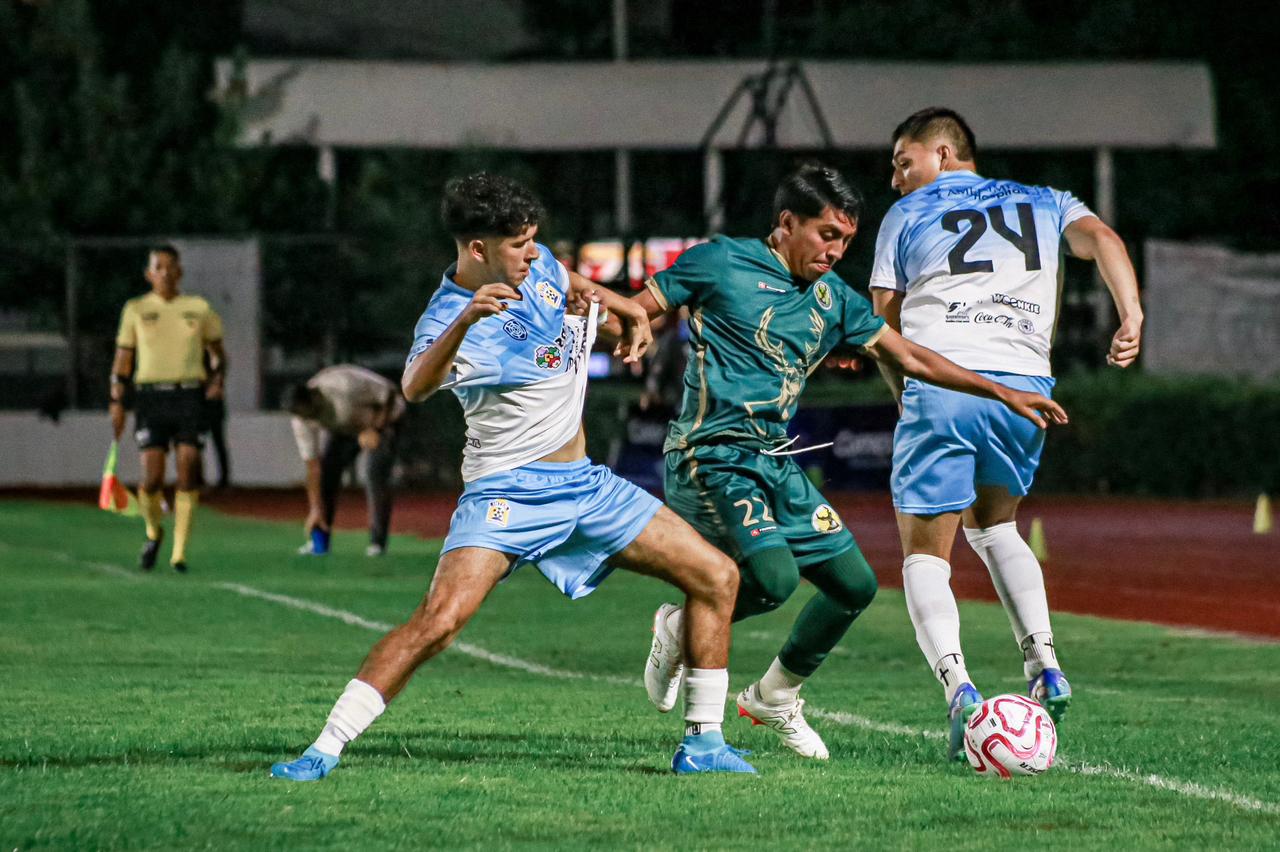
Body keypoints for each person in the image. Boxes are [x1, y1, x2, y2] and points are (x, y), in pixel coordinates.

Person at [270, 173, 755, 781]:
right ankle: (322, 749)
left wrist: (627, 307)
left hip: (585, 486)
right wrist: (465, 321)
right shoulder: (450, 315)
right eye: (519, 244)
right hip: (507, 495)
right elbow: (414, 386)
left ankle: (703, 745)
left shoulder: (537, 263)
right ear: (479, 249)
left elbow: (568, 281)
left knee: (717, 575)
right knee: (439, 623)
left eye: (532, 239)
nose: (533, 252)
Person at [632, 164, 1067, 761]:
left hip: (773, 460)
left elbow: (909, 356)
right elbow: (634, 310)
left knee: (853, 585)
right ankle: (679, 635)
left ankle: (776, 695)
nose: (836, 252)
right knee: (775, 579)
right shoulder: (720, 261)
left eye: (845, 241)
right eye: (827, 235)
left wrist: (1001, 391)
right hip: (710, 456)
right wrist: (599, 317)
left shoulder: (833, 297)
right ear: (787, 223)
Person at [869, 107, 1142, 760]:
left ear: (942, 153)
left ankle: (958, 688)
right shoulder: (1047, 200)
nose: (896, 179)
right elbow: (1103, 238)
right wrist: (1131, 315)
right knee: (996, 528)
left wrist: (907, 396)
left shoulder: (906, 213)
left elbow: (883, 322)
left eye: (904, 162)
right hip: (1025, 386)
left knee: (925, 554)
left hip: (945, 378)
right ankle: (1046, 664)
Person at [109, 245, 226, 574]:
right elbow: (123, 359)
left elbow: (217, 354)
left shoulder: (198, 308)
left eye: (170, 266)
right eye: (158, 267)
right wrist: (117, 399)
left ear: (180, 271)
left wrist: (218, 379)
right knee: (151, 477)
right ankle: (153, 531)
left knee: (188, 466)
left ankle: (179, 553)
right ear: (149, 274)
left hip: (189, 394)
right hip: (150, 397)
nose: (164, 272)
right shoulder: (136, 309)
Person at [284, 365, 407, 557]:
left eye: (309, 413)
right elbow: (313, 467)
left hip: (385, 419)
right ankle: (320, 542)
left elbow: (389, 393)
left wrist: (376, 429)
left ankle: (377, 543)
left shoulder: (343, 386)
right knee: (327, 474)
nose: (309, 419)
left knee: (374, 474)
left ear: (314, 397)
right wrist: (315, 509)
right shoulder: (302, 419)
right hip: (345, 428)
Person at [202, 349, 231, 489]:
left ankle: (224, 479)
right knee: (196, 443)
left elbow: (217, 384)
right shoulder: (202, 358)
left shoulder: (218, 360)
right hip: (202, 405)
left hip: (214, 406)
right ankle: (197, 477)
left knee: (218, 443)